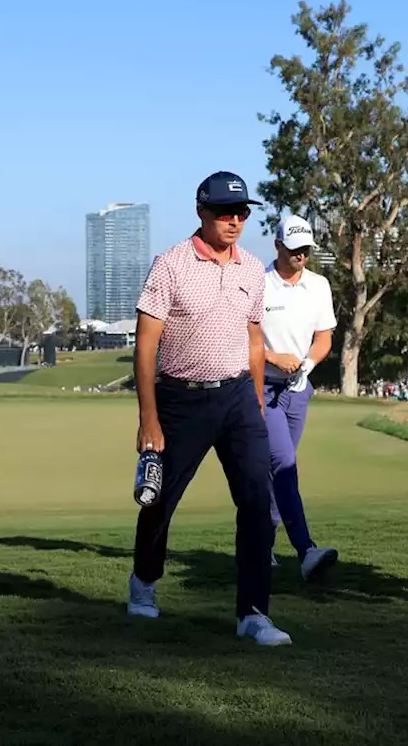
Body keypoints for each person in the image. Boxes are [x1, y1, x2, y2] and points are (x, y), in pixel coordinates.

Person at [127, 171, 291, 647]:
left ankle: (253, 613)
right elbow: (146, 344)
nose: (235, 220)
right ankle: (144, 581)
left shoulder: (251, 269)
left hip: (239, 397)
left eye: (241, 212)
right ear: (201, 211)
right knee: (161, 501)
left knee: (257, 503)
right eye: (224, 212)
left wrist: (257, 402)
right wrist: (149, 418)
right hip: (181, 399)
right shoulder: (171, 265)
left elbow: (254, 340)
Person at [261, 214, 339, 579]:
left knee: (279, 471)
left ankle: (260, 544)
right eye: (294, 250)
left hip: (298, 389)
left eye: (306, 250)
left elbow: (324, 337)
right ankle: (305, 550)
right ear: (277, 246)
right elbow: (243, 341)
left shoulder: (319, 285)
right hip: (263, 387)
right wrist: (275, 357)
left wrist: (308, 363)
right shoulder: (259, 284)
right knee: (284, 463)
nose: (301, 256)